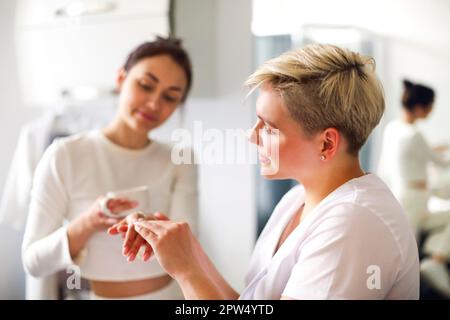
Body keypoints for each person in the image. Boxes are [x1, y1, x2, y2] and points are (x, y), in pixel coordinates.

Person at [110, 44, 419, 299]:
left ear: (326, 143)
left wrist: (187, 271)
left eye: (269, 127)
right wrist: (189, 250)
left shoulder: (353, 224)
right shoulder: (297, 199)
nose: (252, 135)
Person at [22, 37, 198, 300]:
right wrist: (89, 222)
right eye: (145, 85)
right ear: (120, 78)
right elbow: (33, 262)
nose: (154, 104)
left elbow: (189, 252)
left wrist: (155, 228)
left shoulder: (180, 158)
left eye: (170, 97)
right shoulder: (65, 155)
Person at [378, 80, 450, 297]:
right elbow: (440, 162)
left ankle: (436, 260)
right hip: (416, 199)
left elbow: (422, 151)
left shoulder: (394, 128)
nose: (431, 111)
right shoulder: (415, 135)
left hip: (402, 194)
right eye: (431, 106)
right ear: (420, 107)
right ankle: (434, 262)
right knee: (408, 250)